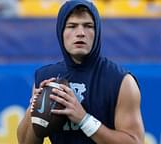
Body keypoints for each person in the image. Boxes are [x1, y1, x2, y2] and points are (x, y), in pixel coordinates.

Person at [17, 0, 144, 143]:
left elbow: (135, 141)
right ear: (61, 32)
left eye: (88, 26)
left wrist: (84, 120)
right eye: (72, 26)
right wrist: (33, 109)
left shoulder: (121, 81)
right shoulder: (46, 78)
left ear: (97, 32)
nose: (80, 33)